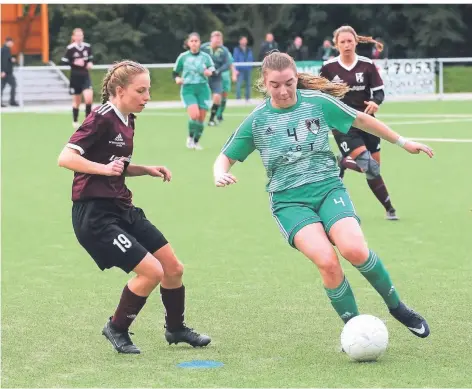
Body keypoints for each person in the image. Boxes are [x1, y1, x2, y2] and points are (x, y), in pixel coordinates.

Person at [213, 51, 432, 341]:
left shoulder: (317, 103)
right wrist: (219, 173)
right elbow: (225, 157)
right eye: (275, 85)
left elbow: (362, 121)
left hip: (328, 189)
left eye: (289, 83)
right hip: (289, 202)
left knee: (355, 250)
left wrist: (403, 142)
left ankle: (398, 307)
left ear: (296, 79)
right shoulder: (257, 121)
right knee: (327, 261)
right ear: (264, 84)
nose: (283, 91)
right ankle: (355, 330)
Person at [57, 60, 211, 354]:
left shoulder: (128, 120)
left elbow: (117, 166)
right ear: (119, 90)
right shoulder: (100, 117)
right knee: (151, 272)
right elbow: (65, 158)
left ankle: (175, 329)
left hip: (122, 207)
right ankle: (116, 328)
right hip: (95, 215)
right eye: (141, 91)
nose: (147, 97)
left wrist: (145, 169)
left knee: (173, 268)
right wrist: (104, 170)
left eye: (148, 90)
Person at [320, 26, 397, 220]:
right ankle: (390, 209)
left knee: (374, 169)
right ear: (336, 45)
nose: (346, 45)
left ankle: (343, 161)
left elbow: (379, 92)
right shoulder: (328, 68)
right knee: (369, 166)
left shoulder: (367, 64)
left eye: (349, 41)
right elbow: (319, 95)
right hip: (343, 125)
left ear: (356, 42)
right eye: (342, 42)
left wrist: (375, 102)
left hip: (367, 122)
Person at [173, 32, 215, 150]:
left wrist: (209, 72)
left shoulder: (205, 57)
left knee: (201, 118)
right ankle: (190, 138)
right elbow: (175, 72)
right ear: (188, 43)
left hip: (203, 89)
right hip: (188, 88)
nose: (194, 43)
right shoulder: (183, 57)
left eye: (196, 41)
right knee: (194, 114)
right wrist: (177, 79)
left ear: (200, 43)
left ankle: (196, 142)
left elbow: (212, 68)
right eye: (192, 41)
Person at [61, 28, 94, 129]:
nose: (79, 37)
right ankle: (75, 121)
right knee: (77, 101)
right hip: (75, 77)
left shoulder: (87, 47)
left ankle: (87, 122)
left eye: (81, 35)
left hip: (85, 76)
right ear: (74, 37)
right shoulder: (70, 48)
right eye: (77, 35)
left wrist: (90, 63)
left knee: (88, 99)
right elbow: (64, 61)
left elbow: (90, 59)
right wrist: (74, 63)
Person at [200, 31, 231, 126]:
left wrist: (218, 71)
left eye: (220, 39)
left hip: (216, 77)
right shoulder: (204, 48)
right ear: (211, 39)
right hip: (203, 76)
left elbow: (227, 64)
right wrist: (203, 69)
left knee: (217, 97)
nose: (218, 41)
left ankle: (212, 119)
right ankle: (199, 117)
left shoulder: (224, 50)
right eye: (216, 39)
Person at [216, 37, 238, 123]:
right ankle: (216, 114)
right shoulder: (211, 53)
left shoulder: (226, 52)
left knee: (224, 96)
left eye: (220, 41)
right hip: (216, 77)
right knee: (217, 95)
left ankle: (220, 113)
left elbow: (231, 64)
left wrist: (234, 74)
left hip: (225, 77)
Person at [233, 36, 254, 101]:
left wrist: (250, 66)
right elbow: (235, 59)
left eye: (245, 40)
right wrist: (236, 69)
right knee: (239, 84)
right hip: (240, 69)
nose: (244, 41)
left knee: (248, 84)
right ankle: (238, 98)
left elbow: (251, 58)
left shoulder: (249, 49)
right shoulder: (236, 49)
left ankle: (247, 98)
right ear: (240, 41)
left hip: (247, 69)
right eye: (243, 40)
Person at [1, 37, 19, 107]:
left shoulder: (5, 49)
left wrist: (11, 60)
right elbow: (4, 61)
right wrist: (2, 71)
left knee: (2, 87)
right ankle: (12, 101)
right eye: (11, 43)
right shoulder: (5, 50)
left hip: (6, 72)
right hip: (7, 72)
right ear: (8, 42)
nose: (12, 44)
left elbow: (6, 60)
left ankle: (11, 101)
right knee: (13, 85)